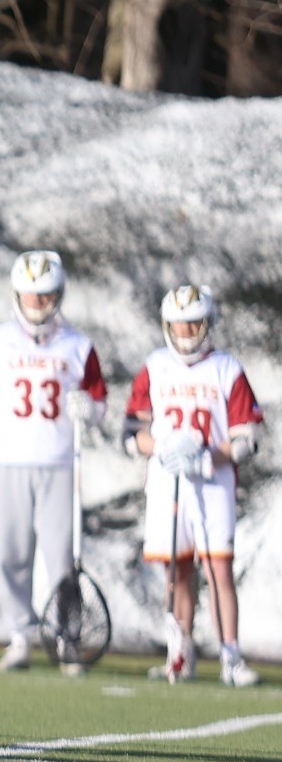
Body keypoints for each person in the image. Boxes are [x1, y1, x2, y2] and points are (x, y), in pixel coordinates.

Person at [0, 251, 107, 673]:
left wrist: (87, 409)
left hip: (57, 461)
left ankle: (66, 638)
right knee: (11, 554)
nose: (37, 304)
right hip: (10, 461)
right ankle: (19, 635)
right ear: (17, 295)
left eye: (45, 296)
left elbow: (101, 404)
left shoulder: (78, 345)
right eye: (31, 296)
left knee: (61, 558)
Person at [124, 285, 263, 687]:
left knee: (219, 567)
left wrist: (208, 457)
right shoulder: (154, 366)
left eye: (194, 324)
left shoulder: (226, 368)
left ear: (208, 324)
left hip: (212, 482)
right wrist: (162, 447)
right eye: (179, 325)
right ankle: (179, 654)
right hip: (168, 483)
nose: (186, 334)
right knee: (176, 571)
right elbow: (132, 433)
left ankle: (231, 656)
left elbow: (246, 436)